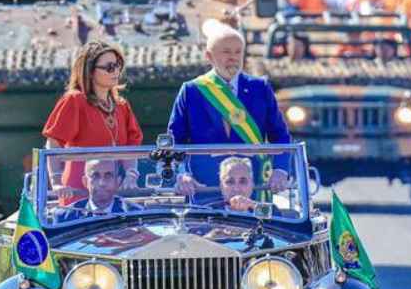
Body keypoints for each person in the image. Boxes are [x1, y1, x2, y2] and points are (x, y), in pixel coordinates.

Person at [167, 20, 292, 192]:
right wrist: (182, 173)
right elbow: (175, 141)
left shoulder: (260, 88)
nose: (233, 57)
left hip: (254, 187)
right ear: (209, 56)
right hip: (205, 189)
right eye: (226, 52)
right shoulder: (192, 90)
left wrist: (280, 170)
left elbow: (280, 136)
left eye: (238, 52)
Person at [42, 41, 144, 205]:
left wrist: (131, 175)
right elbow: (53, 143)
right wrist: (57, 182)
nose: (116, 71)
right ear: (89, 71)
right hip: (78, 190)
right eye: (109, 67)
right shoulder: (75, 100)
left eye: (118, 65)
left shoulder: (121, 105)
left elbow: (131, 147)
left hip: (113, 192)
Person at [57, 159, 139, 222]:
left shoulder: (135, 214)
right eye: (95, 176)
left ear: (118, 181)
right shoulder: (65, 218)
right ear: (85, 182)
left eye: (108, 176)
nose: (101, 183)